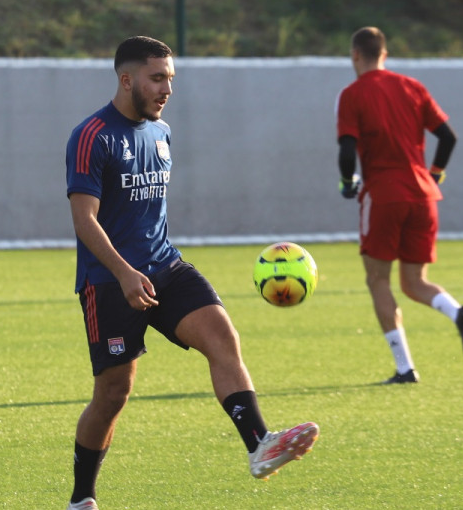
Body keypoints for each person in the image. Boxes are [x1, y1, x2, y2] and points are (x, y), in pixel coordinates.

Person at [64, 36, 318, 510]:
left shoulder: (161, 133)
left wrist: (146, 266)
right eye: (157, 78)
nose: (167, 89)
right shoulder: (92, 136)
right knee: (113, 394)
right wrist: (124, 272)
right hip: (110, 282)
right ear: (126, 79)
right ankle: (82, 499)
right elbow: (84, 220)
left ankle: (259, 445)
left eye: (170, 79)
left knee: (222, 336)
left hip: (166, 266)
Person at [335, 26, 463, 384]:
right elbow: (448, 137)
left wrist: (348, 181)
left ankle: (405, 368)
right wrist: (435, 174)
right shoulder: (412, 87)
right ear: (384, 54)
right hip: (423, 196)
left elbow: (347, 148)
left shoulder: (353, 94)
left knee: (377, 280)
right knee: (415, 282)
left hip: (384, 195)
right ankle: (458, 313)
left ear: (356, 55)